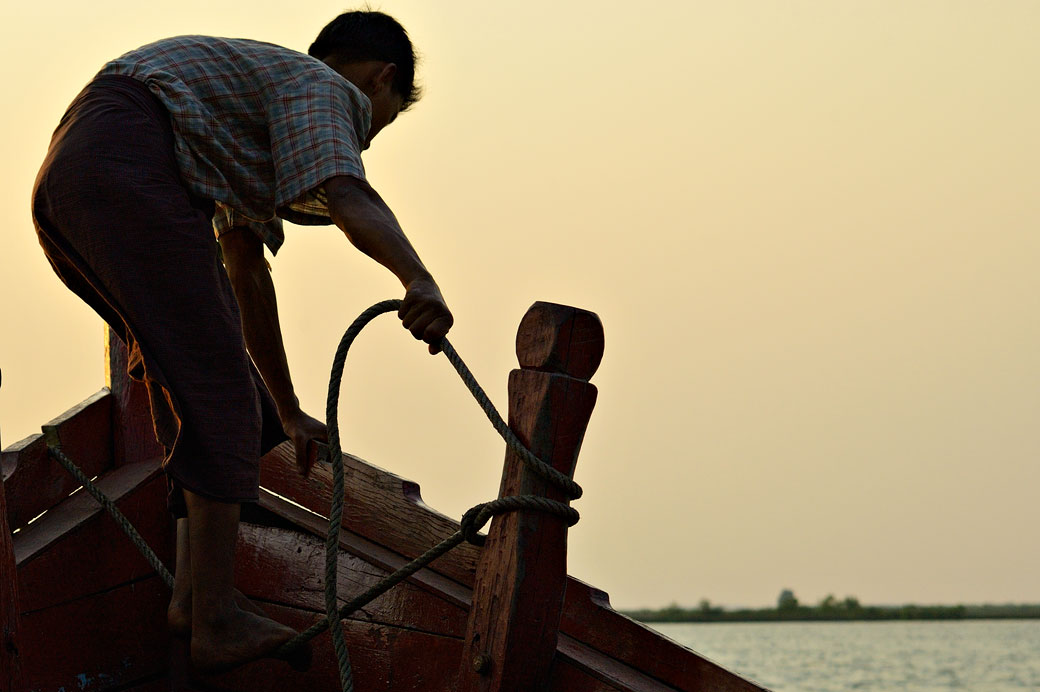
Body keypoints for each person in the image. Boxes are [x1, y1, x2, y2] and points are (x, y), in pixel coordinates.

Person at [30, 10, 452, 674]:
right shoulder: (324, 88)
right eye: (379, 124)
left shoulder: (243, 113)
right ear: (381, 79)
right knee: (218, 393)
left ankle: (192, 601)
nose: (363, 140)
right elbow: (346, 192)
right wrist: (418, 278)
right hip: (124, 166)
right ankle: (217, 619)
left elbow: (246, 275)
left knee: (228, 399)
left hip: (76, 178)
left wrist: (284, 410)